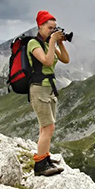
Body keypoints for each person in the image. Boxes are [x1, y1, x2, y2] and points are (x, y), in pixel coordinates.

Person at [29, 10, 70, 176]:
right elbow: (46, 61)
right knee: (49, 128)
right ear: (40, 26)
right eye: (49, 28)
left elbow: (65, 59)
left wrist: (60, 43)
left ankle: (45, 159)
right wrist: (53, 40)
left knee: (44, 128)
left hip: (49, 88)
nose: (52, 31)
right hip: (38, 88)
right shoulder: (33, 43)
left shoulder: (48, 43)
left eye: (55, 28)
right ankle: (40, 166)